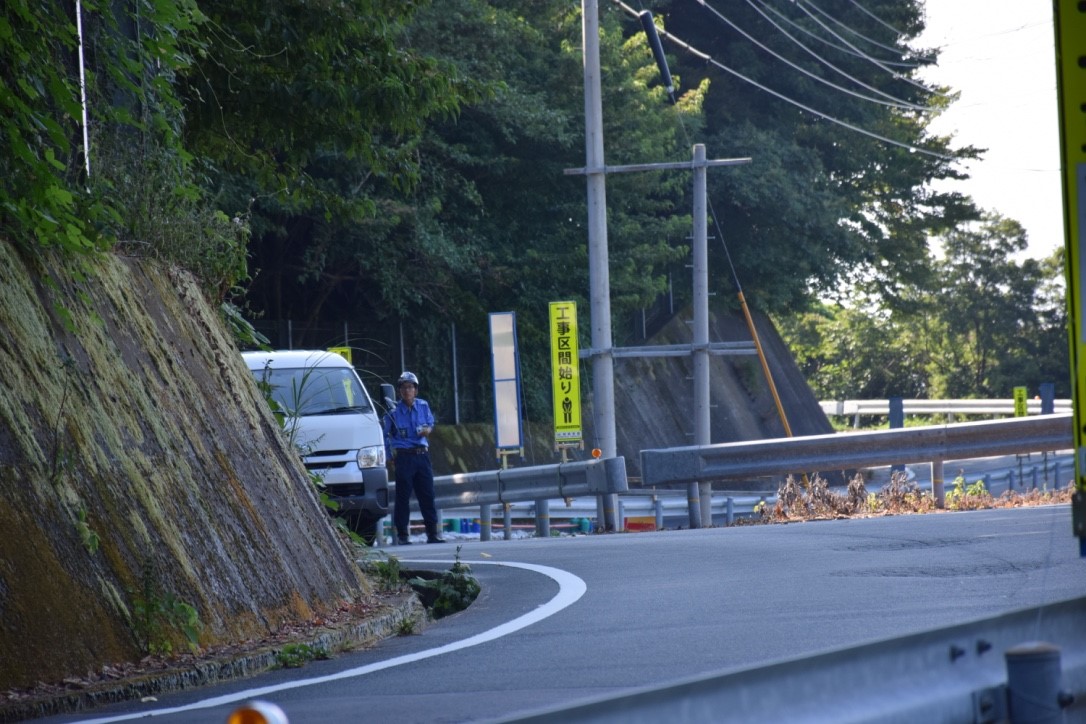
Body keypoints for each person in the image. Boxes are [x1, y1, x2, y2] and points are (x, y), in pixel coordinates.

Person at [384, 371, 444, 544]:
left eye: (410, 387)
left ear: (415, 390)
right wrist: (390, 457)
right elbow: (385, 434)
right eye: (404, 388)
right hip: (404, 457)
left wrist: (427, 431)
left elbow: (430, 424)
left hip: (422, 455)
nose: (407, 391)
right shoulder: (393, 413)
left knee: (427, 494)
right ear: (399, 391)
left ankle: (432, 534)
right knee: (403, 497)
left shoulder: (423, 406)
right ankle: (403, 535)